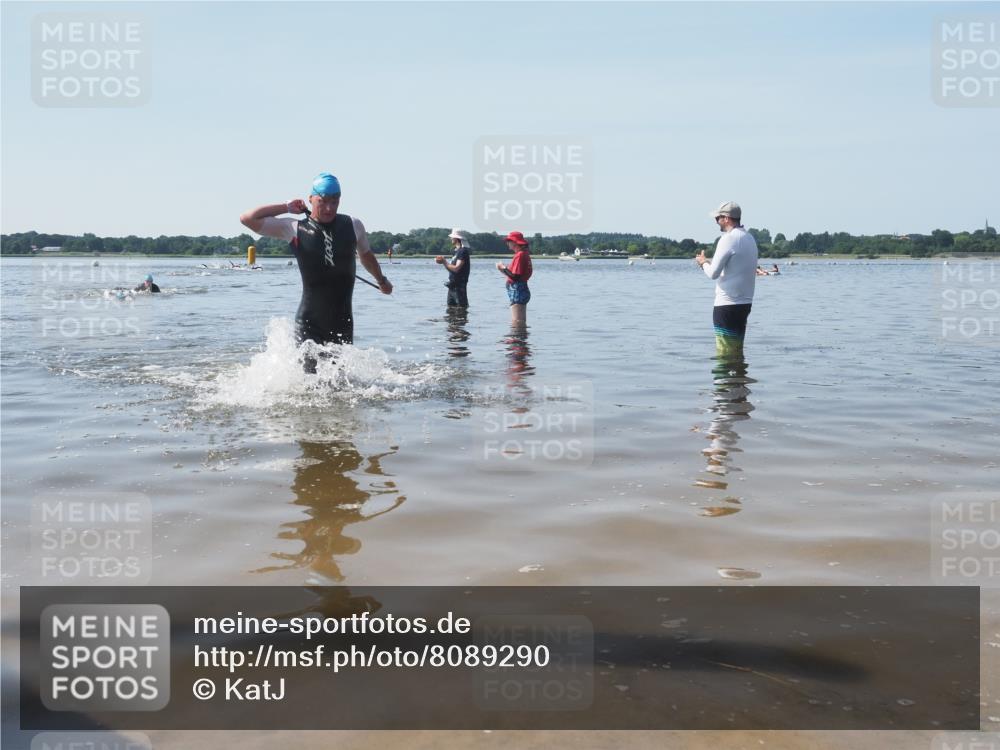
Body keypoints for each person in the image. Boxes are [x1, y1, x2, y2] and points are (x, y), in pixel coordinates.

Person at [239, 172, 392, 371]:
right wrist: (286, 207)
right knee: (310, 387)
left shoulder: (353, 225)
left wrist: (381, 280)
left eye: (334, 202)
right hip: (309, 324)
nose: (329, 208)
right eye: (323, 201)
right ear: (311, 198)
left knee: (340, 389)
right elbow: (247, 218)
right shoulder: (294, 228)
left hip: (342, 323)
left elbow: (366, 256)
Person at [695, 202, 758, 357]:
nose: (716, 222)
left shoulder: (728, 239)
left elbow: (713, 274)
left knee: (724, 353)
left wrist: (703, 263)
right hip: (744, 304)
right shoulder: (749, 238)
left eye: (718, 218)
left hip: (726, 305)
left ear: (727, 218)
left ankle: (727, 381)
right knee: (736, 350)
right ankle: (739, 379)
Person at [496, 231, 532, 324]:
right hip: (521, 289)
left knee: (517, 322)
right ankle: (519, 337)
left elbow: (515, 276)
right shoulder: (524, 253)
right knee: (520, 321)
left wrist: (503, 267)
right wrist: (502, 270)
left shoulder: (520, 255)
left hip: (518, 291)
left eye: (509, 241)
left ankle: (517, 338)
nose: (507, 243)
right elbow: (515, 275)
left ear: (515, 242)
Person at [436, 228, 471, 308]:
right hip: (452, 286)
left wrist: (444, 261)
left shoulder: (463, 251)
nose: (451, 238)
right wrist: (442, 262)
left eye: (452, 237)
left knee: (461, 310)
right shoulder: (455, 251)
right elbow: (452, 270)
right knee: (450, 311)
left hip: (459, 287)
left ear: (457, 238)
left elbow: (456, 268)